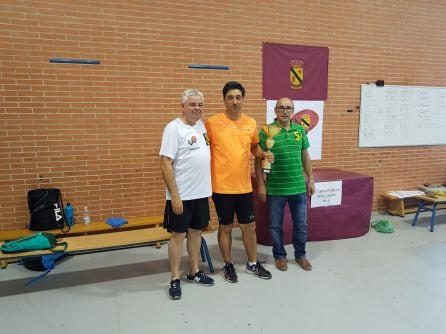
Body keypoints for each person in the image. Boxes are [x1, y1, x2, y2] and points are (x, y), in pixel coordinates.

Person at [205, 81, 272, 283]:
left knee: (249, 226)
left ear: (243, 99)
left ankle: (252, 263)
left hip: (243, 186)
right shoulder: (211, 123)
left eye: (238, 97)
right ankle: (228, 264)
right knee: (225, 227)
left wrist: (264, 154)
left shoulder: (250, 123)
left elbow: (254, 148)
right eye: (230, 98)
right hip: (221, 186)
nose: (235, 101)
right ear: (224, 100)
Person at [160, 89, 214, 300]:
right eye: (192, 104)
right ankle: (174, 277)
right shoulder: (174, 128)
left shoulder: (201, 126)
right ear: (182, 106)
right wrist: (175, 196)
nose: (197, 108)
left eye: (200, 105)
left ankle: (193, 272)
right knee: (177, 236)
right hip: (181, 196)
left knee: (196, 233)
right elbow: (165, 163)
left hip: (201, 194)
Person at [255, 97, 315, 272]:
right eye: (281, 107)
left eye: (289, 108)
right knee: (275, 225)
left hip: (298, 187)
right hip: (276, 188)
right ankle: (280, 256)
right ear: (275, 110)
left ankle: (300, 255)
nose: (285, 111)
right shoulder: (267, 131)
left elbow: (305, 156)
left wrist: (310, 179)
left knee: (301, 225)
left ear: (293, 111)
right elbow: (259, 160)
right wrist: (261, 185)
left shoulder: (299, 131)